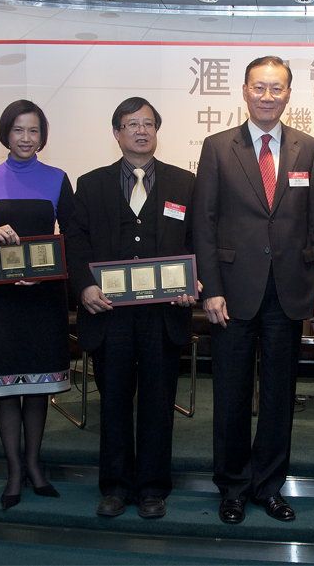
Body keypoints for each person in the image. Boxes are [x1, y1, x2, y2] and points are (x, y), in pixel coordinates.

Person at [193, 55, 314, 524]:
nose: (268, 96)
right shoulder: (217, 147)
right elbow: (204, 223)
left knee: (278, 396)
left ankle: (269, 486)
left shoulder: (308, 148)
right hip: (231, 292)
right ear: (244, 91)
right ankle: (231, 486)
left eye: (277, 89)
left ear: (289, 94)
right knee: (230, 393)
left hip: (287, 292)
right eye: (259, 88)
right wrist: (210, 286)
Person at [64, 97, 196, 520]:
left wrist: (194, 280)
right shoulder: (91, 184)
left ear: (157, 131)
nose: (141, 131)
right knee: (115, 402)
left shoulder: (184, 183)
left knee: (159, 404)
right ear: (117, 133)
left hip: (163, 315)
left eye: (148, 124)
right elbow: (75, 242)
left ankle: (154, 488)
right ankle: (116, 486)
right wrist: (84, 286)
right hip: (109, 315)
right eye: (131, 124)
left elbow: (197, 241)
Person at [0, 99, 73, 510]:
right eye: (18, 131)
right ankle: (13, 471)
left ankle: (34, 464)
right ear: (5, 134)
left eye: (33, 131)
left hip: (43, 297)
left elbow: (72, 236)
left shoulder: (58, 178)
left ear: (42, 135)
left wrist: (48, 273)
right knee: (8, 388)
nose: (26, 139)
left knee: (39, 387)